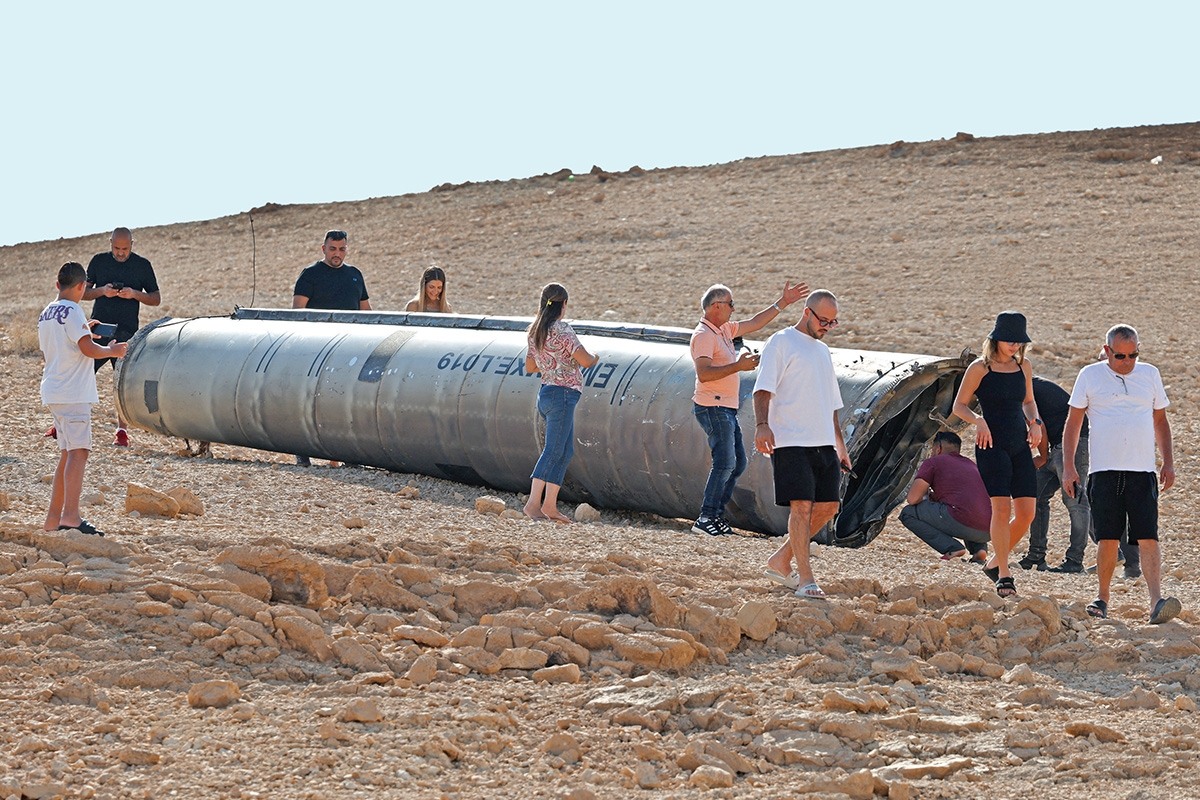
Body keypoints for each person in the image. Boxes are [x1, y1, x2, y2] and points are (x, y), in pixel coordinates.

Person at [1062, 324, 1179, 624]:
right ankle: (1102, 598)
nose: (1127, 362)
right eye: (1120, 356)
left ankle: (1156, 601)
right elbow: (1073, 423)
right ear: (1107, 351)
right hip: (1104, 471)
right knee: (1108, 538)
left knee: (1148, 536)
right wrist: (1069, 467)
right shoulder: (1089, 375)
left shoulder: (1150, 374)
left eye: (1133, 355)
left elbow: (1160, 421)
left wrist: (1168, 462)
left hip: (1142, 470)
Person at [689, 280, 809, 536]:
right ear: (716, 306)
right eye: (730, 304)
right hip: (713, 406)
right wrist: (738, 366)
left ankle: (715, 516)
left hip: (724, 407)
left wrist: (783, 302)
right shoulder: (704, 336)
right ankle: (706, 518)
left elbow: (755, 323)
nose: (734, 309)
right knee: (725, 463)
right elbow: (704, 374)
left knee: (737, 463)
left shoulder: (722, 330)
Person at [754, 290, 851, 599]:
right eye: (824, 320)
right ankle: (806, 579)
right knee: (802, 507)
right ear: (807, 312)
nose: (827, 327)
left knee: (829, 506)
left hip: (823, 442)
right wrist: (761, 425)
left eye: (833, 322)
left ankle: (781, 559)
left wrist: (840, 445)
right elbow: (762, 388)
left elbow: (832, 404)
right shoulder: (781, 341)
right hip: (791, 440)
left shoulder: (823, 351)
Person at [951, 311, 1042, 598]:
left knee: (1027, 514)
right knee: (1001, 510)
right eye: (1010, 340)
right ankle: (1004, 574)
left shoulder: (1023, 366)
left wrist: (1035, 423)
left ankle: (993, 562)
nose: (1015, 345)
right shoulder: (980, 368)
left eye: (1019, 341)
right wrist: (978, 420)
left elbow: (1028, 401)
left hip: (1019, 444)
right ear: (996, 339)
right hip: (990, 445)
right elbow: (959, 406)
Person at [39, 262, 128, 536]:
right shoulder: (74, 310)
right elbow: (88, 349)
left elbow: (59, 346)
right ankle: (71, 517)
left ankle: (53, 520)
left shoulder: (47, 312)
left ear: (58, 285)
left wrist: (85, 330)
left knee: (68, 454)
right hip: (72, 392)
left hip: (54, 390)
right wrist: (112, 350)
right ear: (82, 286)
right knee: (78, 453)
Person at [291, 230, 371, 466]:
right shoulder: (310, 274)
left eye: (342, 249)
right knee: (310, 401)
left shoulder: (355, 275)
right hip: (317, 350)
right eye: (333, 249)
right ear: (323, 249)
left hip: (349, 350)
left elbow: (366, 311)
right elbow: (298, 312)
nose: (337, 253)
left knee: (345, 402)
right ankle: (302, 451)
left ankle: (348, 455)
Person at [523, 283, 598, 523]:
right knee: (555, 450)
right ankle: (533, 503)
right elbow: (585, 360)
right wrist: (595, 358)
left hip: (547, 394)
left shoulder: (535, 331)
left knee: (564, 450)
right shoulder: (563, 330)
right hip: (563, 395)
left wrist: (551, 364)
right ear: (563, 305)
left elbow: (530, 366)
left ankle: (549, 505)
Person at [79, 227, 160, 447]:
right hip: (99, 330)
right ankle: (67, 423)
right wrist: (102, 291)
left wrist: (134, 294)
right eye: (117, 248)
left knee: (122, 382)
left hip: (126, 332)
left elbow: (156, 299)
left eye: (125, 248)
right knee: (83, 374)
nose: (121, 252)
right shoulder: (98, 261)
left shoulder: (142, 265)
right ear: (110, 243)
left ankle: (122, 431)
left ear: (132, 244)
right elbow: (82, 293)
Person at [1021, 376, 1093, 573]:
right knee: (1036, 495)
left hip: (1072, 445)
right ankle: (1036, 556)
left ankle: (1075, 561)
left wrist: (1043, 457)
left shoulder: (1021, 387)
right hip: (1057, 446)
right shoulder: (1028, 383)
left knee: (1075, 501)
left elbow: (1038, 425)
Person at [899, 431, 991, 562]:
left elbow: (913, 499)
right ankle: (979, 550)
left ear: (938, 449)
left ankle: (952, 548)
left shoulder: (933, 462)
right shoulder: (972, 465)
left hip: (961, 520)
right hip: (989, 530)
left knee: (908, 513)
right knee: (969, 507)